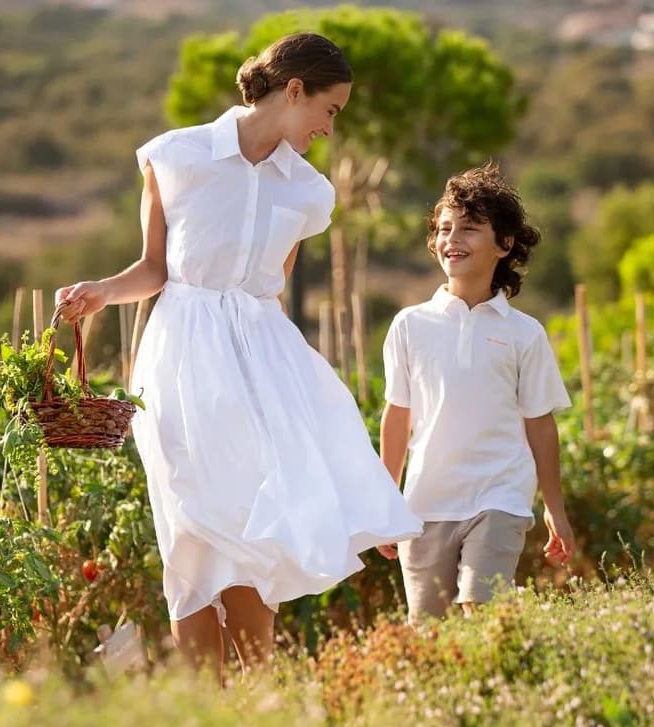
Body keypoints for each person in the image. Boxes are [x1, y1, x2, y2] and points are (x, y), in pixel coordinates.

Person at [54, 33, 421, 680]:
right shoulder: (175, 157)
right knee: (191, 530)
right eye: (329, 111)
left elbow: (271, 290)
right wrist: (101, 294)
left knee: (257, 528)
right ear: (295, 89)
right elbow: (155, 269)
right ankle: (206, 704)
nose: (330, 131)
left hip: (262, 361)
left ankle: (257, 696)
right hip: (180, 357)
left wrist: (294, 397)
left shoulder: (308, 194)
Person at [378, 163, 574, 622]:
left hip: (499, 497)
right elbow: (397, 417)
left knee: (480, 612)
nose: (453, 240)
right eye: (445, 229)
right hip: (425, 503)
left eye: (469, 229)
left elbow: (541, 426)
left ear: (504, 245)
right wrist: (385, 502)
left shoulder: (525, 334)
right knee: (429, 631)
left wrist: (554, 509)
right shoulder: (410, 325)